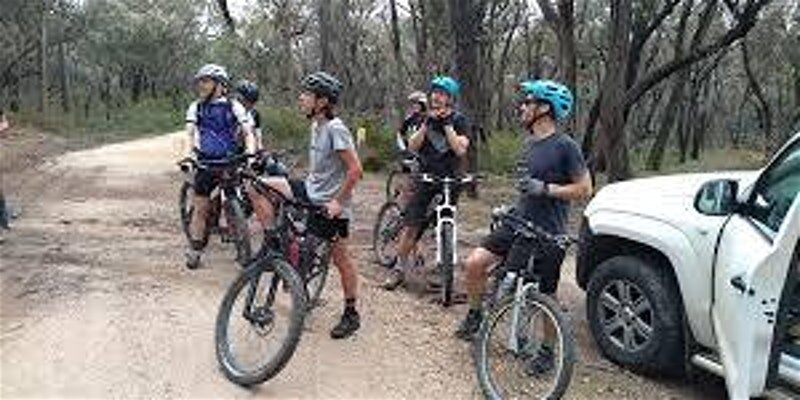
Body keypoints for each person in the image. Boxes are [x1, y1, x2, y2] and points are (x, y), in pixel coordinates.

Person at [455, 79, 592, 372]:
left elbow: (584, 189)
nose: (522, 107)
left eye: (528, 102)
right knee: (474, 264)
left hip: (548, 231)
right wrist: (512, 206)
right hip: (517, 222)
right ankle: (475, 316)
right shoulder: (529, 143)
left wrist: (546, 189)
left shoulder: (566, 146)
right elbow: (525, 188)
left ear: (544, 109)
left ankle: (546, 352)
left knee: (546, 295)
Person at [249, 71, 364, 339]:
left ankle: (351, 313)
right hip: (311, 191)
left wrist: (337, 202)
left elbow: (355, 170)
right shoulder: (316, 126)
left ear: (322, 101)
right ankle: (272, 239)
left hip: (331, 205)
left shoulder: (336, 129)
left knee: (340, 259)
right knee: (256, 185)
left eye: (307, 95)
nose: (301, 98)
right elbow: (321, 167)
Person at [382, 75, 471, 290]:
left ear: (450, 98)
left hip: (450, 179)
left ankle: (444, 267)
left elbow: (460, 149)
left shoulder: (460, 120)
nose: (436, 97)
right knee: (413, 226)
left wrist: (447, 125)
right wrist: (427, 124)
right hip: (426, 178)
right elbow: (412, 146)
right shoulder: (423, 118)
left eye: (442, 94)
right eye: (434, 93)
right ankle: (399, 269)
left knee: (445, 222)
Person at [182, 64, 256, 269]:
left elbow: (248, 131)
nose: (201, 86)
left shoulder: (234, 106)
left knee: (235, 202)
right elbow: (189, 133)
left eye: (206, 81)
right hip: (205, 162)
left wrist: (250, 153)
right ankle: (195, 249)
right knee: (201, 209)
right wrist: (188, 154)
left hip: (229, 162)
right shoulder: (196, 107)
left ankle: (240, 241)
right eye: (200, 81)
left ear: (220, 85)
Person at [235, 80, 264, 151]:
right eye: (248, 100)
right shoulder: (229, 111)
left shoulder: (254, 114)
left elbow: (258, 134)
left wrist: (260, 148)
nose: (250, 104)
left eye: (253, 101)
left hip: (247, 149)